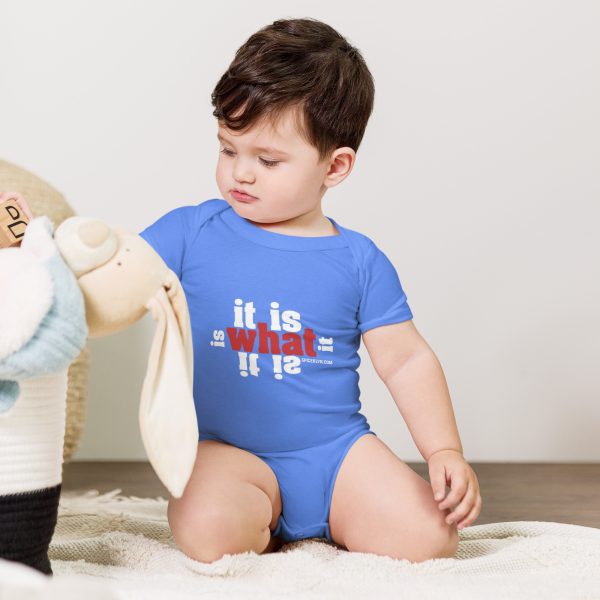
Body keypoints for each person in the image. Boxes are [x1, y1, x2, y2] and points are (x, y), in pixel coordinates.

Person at [139, 17, 481, 564]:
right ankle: (264, 520)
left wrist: (443, 450)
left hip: (335, 454)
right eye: (229, 150)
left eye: (267, 160)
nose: (239, 174)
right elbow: (115, 271)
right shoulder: (190, 232)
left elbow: (406, 361)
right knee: (206, 529)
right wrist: (40, 249)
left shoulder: (358, 259)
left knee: (431, 539)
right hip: (230, 452)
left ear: (335, 165)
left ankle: (321, 520)